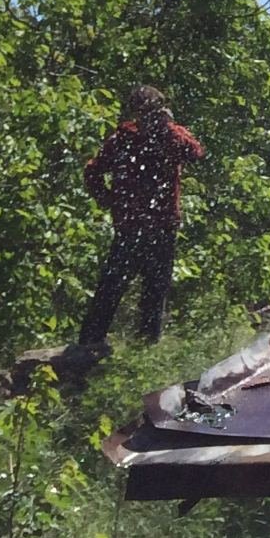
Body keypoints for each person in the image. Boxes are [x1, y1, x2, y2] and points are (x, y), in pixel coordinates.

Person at [74, 84, 205, 352]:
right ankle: (95, 347)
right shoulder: (132, 137)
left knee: (144, 292)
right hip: (140, 227)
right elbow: (93, 172)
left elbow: (195, 153)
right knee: (121, 290)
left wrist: (110, 200)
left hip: (150, 227)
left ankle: (132, 352)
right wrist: (110, 199)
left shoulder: (153, 136)